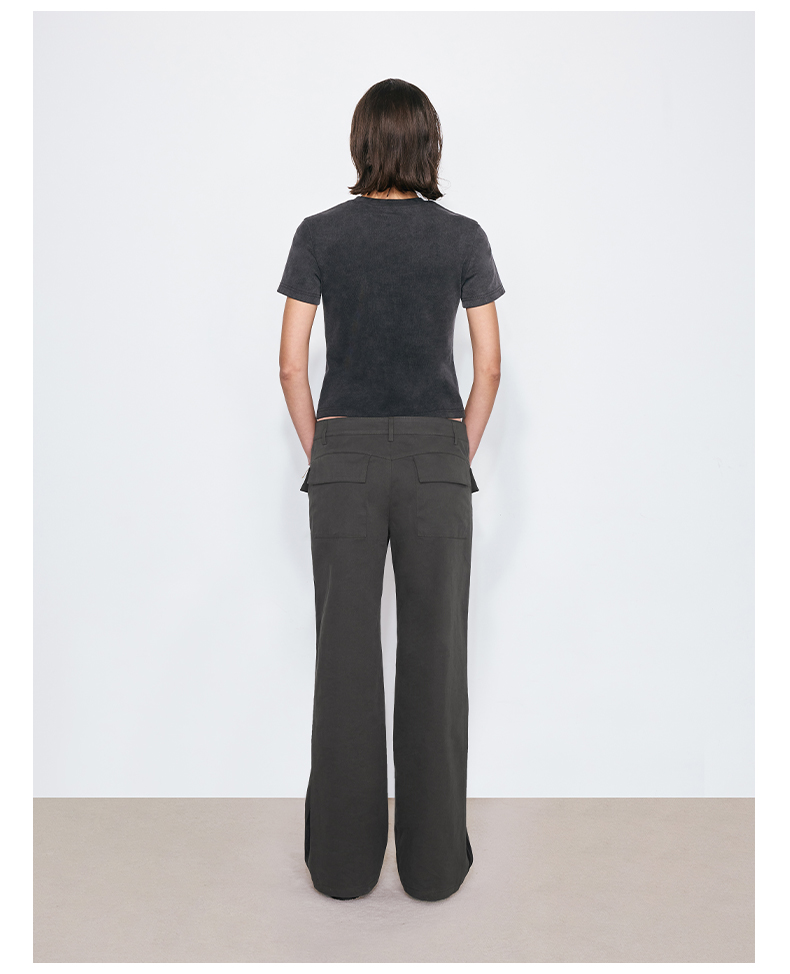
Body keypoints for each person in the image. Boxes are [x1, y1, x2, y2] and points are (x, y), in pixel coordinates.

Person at [276, 78, 504, 902]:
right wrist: (453, 451)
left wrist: (325, 451)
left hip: (342, 452)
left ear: (362, 143)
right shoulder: (464, 237)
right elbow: (490, 367)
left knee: (343, 657)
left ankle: (341, 870)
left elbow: (291, 365)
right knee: (436, 656)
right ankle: (434, 868)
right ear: (429, 144)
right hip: (437, 455)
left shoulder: (319, 234)